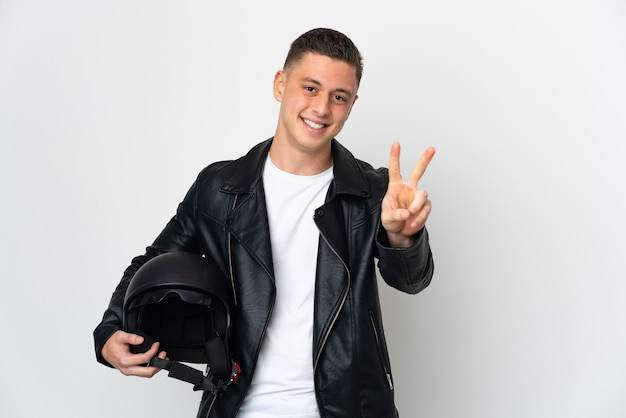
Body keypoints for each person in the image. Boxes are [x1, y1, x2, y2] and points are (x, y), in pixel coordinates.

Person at [94, 27, 435, 418]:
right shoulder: (220, 188)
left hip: (351, 408)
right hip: (240, 406)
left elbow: (411, 280)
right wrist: (109, 331)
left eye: (338, 97)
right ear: (280, 84)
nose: (322, 108)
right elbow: (151, 262)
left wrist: (401, 235)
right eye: (310, 88)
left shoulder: (373, 191)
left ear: (351, 104)